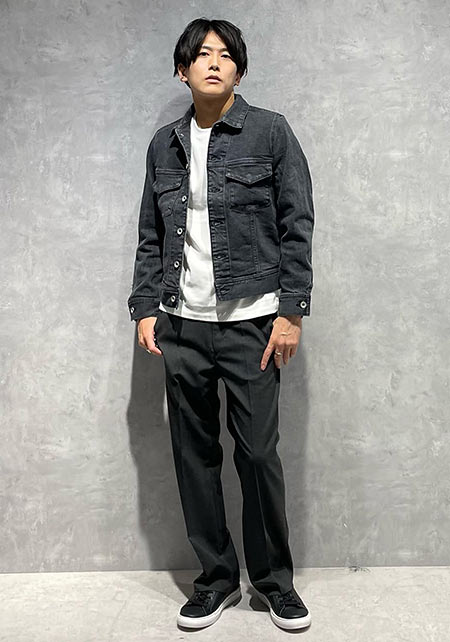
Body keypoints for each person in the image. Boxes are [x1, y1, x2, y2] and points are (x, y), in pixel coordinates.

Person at [127, 17, 314, 631]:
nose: (214, 62)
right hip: (181, 325)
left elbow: (297, 223)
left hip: (253, 323)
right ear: (182, 71)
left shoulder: (270, 132)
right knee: (194, 456)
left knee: (258, 455)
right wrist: (145, 306)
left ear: (239, 69)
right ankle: (215, 581)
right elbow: (152, 233)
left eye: (226, 54)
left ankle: (274, 583)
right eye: (202, 54)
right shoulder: (164, 145)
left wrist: (291, 311)